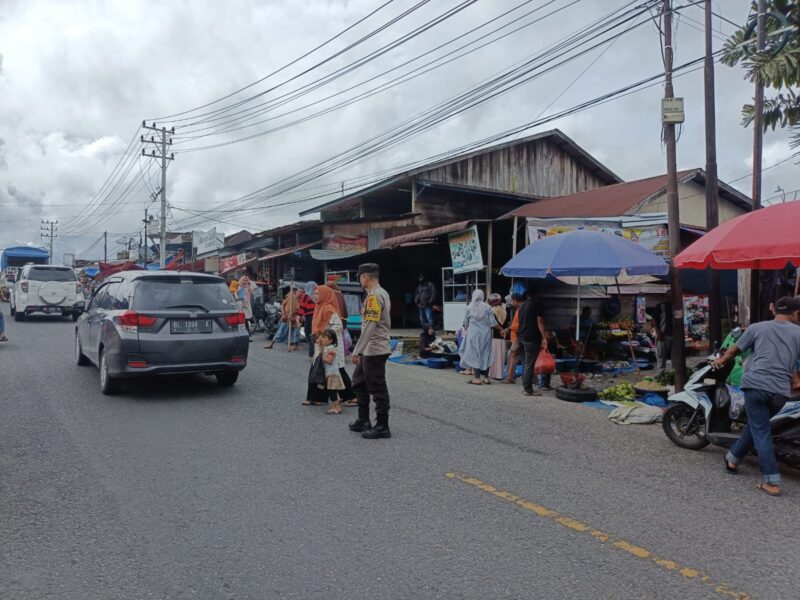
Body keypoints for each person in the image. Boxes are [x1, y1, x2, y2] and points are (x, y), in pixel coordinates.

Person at [713, 296, 800, 497]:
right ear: (796, 314)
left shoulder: (757, 328)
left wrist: (721, 360)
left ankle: (772, 480)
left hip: (756, 385)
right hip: (780, 392)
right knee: (757, 425)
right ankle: (732, 458)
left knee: (760, 430)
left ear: (773, 310)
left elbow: (734, 349)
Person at [348, 263, 392, 440]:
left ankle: (382, 426)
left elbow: (370, 326)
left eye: (360, 277)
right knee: (359, 381)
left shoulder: (375, 296)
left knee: (377, 387)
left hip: (374, 348)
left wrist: (356, 351)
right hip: (369, 348)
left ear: (365, 277)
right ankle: (363, 420)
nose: (360, 280)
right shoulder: (378, 294)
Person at [304, 285, 354, 407]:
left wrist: (324, 334)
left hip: (331, 344)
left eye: (318, 294)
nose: (315, 296)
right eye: (314, 294)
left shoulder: (328, 309)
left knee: (337, 370)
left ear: (324, 295)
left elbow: (338, 327)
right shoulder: (319, 307)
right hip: (321, 343)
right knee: (317, 368)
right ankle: (316, 398)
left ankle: (351, 396)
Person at [460, 290, 499, 385]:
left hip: (473, 334)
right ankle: (486, 378)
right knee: (486, 353)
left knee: (474, 354)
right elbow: (493, 323)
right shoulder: (488, 307)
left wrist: (466, 328)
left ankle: (476, 378)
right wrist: (501, 329)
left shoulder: (469, 307)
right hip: (486, 334)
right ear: (483, 296)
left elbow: (465, 323)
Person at [517, 290, 548, 397]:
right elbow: (539, 321)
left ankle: (525, 387)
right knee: (529, 365)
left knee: (526, 364)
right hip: (531, 338)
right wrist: (544, 337)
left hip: (521, 337)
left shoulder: (522, 305)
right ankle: (528, 389)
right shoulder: (537, 303)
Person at [316, 328, 346, 415]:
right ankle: (335, 404)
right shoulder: (327, 347)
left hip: (332, 374)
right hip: (329, 373)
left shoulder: (331, 349)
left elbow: (329, 361)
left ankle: (336, 407)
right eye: (323, 337)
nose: (323, 339)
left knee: (332, 391)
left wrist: (321, 356)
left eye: (325, 337)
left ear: (331, 340)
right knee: (330, 391)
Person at [502, 294, 524, 384]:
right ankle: (534, 379)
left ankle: (510, 378)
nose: (511, 303)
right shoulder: (522, 308)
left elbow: (520, 324)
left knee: (512, 355)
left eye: (511, 300)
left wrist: (509, 328)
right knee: (526, 359)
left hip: (519, 336)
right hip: (521, 336)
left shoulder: (521, 309)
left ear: (515, 300)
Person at [650, 293, 674, 372]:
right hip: (663, 334)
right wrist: (658, 332)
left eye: (672, 297)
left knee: (676, 355)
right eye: (669, 297)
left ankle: (675, 372)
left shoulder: (676, 306)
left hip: (674, 334)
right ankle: (661, 372)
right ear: (665, 297)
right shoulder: (661, 306)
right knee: (661, 354)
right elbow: (654, 319)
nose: (670, 298)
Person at [299, 282, 317, 358]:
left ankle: (311, 353)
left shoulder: (306, 296)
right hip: (317, 317)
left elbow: (302, 307)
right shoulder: (317, 295)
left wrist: (299, 316)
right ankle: (316, 352)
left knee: (308, 334)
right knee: (315, 334)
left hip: (309, 318)